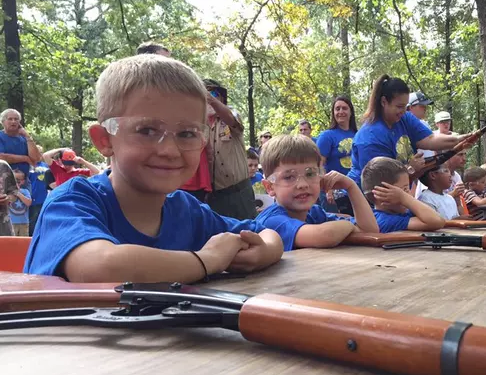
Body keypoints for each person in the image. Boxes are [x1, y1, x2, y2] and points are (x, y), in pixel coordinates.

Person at [24, 55, 283, 282]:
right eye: (147, 130)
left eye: (187, 133)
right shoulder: (73, 200)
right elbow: (97, 268)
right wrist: (208, 259)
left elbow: (268, 232)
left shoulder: (186, 211)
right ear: (104, 140)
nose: (169, 150)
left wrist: (264, 252)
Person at [347, 75, 473, 190]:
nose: (404, 111)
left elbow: (429, 140)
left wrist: (460, 139)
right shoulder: (370, 138)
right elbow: (381, 185)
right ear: (384, 102)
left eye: (405, 106)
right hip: (364, 199)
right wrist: (410, 169)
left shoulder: (405, 118)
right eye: (399, 106)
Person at [257, 134, 378, 251]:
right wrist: (351, 226)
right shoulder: (272, 220)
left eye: (310, 174)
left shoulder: (315, 213)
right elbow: (326, 235)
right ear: (270, 187)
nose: (303, 184)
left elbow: (370, 231)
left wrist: (351, 187)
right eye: (289, 177)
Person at [204, 78, 258, 220]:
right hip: (214, 196)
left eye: (214, 94)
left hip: (239, 191)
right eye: (205, 96)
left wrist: (212, 100)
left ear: (221, 97)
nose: (209, 100)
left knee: (248, 233)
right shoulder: (198, 124)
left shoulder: (231, 114)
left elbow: (231, 120)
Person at [361, 157, 444, 233]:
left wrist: (403, 196)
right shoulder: (383, 220)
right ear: (381, 194)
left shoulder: (401, 212)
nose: (409, 195)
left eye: (407, 189)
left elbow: (440, 218)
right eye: (404, 190)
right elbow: (437, 221)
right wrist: (404, 198)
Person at [316, 96, 358, 214]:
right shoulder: (327, 136)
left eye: (344, 108)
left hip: (354, 188)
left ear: (351, 112)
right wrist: (328, 190)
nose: (340, 112)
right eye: (337, 109)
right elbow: (319, 165)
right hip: (332, 192)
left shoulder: (358, 134)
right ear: (333, 113)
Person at [0, 108, 42, 176]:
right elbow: (1, 158)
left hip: (24, 182)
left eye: (16, 119)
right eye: (10, 119)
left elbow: (36, 158)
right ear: (3, 122)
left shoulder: (24, 138)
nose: (13, 121)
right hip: (4, 181)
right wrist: (25, 158)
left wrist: (27, 136)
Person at [28, 151, 50, 235]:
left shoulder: (46, 166)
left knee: (42, 220)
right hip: (31, 197)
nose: (38, 154)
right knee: (32, 221)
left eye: (40, 152)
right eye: (37, 152)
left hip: (44, 197)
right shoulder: (28, 165)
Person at [8, 169, 31, 236]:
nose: (15, 182)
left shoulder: (25, 191)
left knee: (23, 241)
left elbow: (28, 203)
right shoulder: (7, 191)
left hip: (23, 222)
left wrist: (19, 194)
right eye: (13, 180)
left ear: (23, 181)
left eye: (18, 180)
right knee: (12, 241)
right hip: (11, 222)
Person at [0, 160, 18, 235]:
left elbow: (14, 192)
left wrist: (8, 199)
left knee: (7, 246)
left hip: (3, 225)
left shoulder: (3, 166)